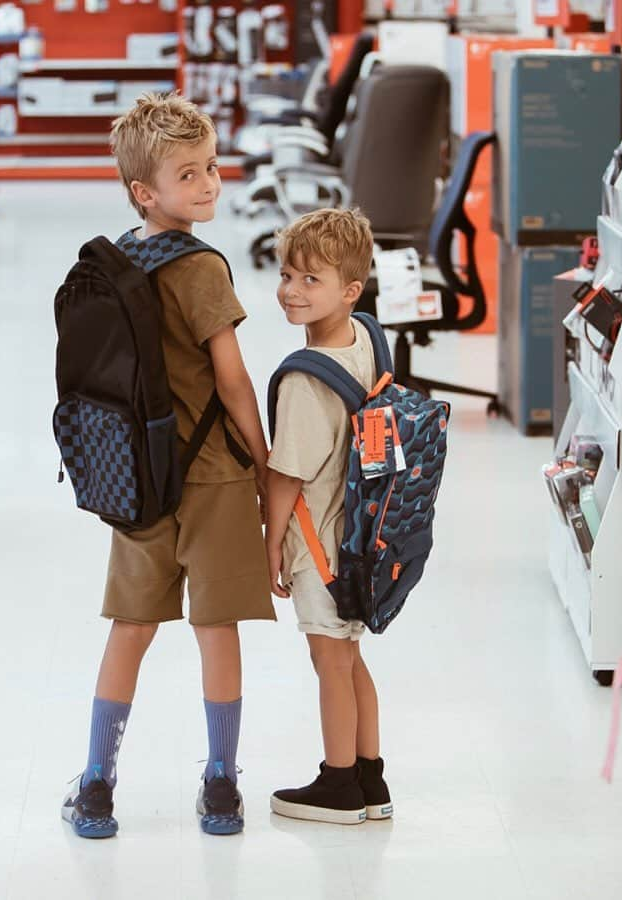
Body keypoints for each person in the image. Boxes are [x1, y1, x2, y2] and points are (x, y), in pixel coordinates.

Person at [62, 93, 275, 840]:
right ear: (145, 192)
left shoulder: (116, 263)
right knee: (217, 629)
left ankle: (96, 784)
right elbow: (232, 377)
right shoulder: (202, 268)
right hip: (214, 474)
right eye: (191, 175)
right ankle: (220, 786)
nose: (210, 184)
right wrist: (266, 458)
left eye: (212, 167)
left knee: (129, 628)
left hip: (137, 480)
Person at [265, 208, 392, 825]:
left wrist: (270, 546)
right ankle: (372, 777)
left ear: (349, 290)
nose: (291, 290)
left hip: (320, 548)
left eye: (310, 280)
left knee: (329, 662)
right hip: (367, 539)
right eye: (287, 274)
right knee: (351, 658)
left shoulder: (304, 383)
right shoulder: (366, 338)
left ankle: (339, 784)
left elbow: (285, 475)